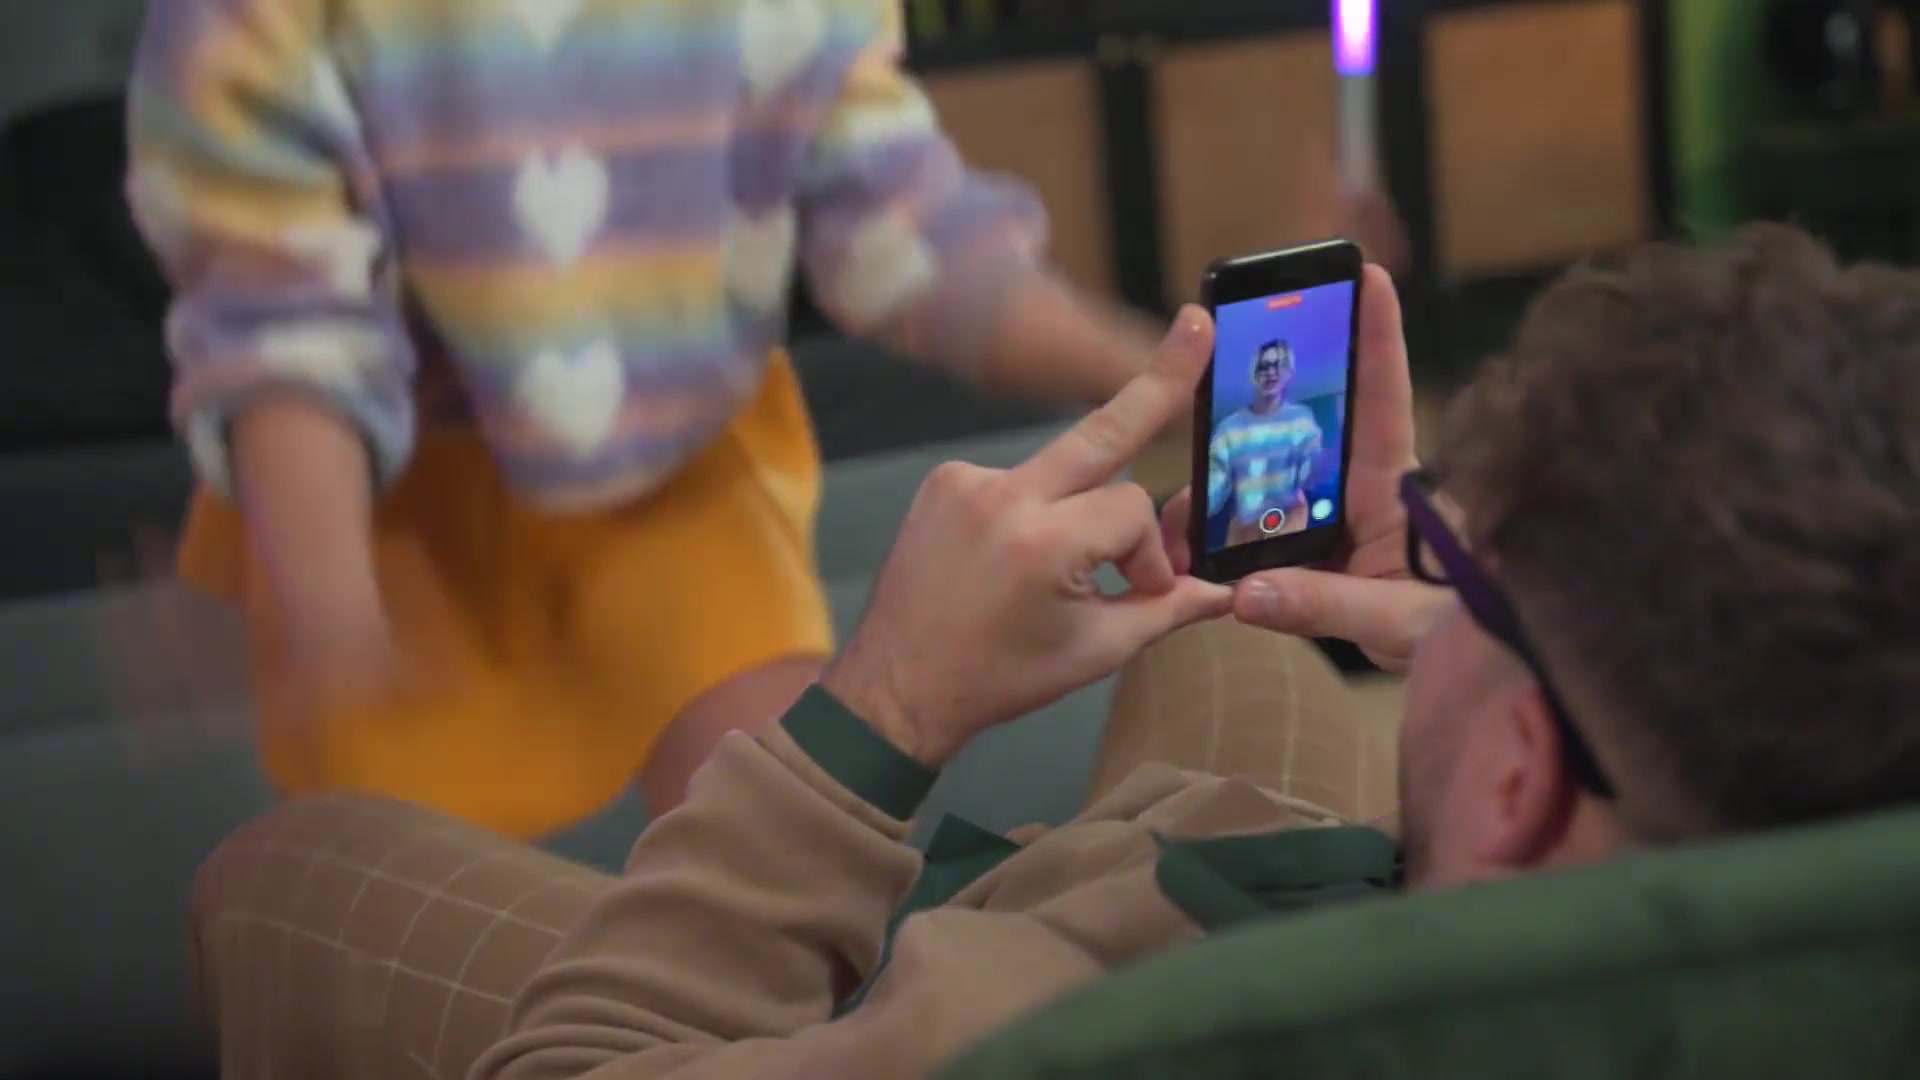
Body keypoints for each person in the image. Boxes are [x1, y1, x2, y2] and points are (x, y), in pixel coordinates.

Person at [188, 225, 1920, 1080]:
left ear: (1525, 776)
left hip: (1060, 953)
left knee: (284, 869)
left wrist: (883, 711)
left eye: (1464, 569)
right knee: (1244, 617)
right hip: (1342, 872)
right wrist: (1441, 629)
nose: (1431, 579)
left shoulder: (1037, 1037)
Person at [124, 0, 1179, 836]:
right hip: (385, 502)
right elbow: (282, 307)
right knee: (389, 894)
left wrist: (1148, 369)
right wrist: (327, 613)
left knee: (791, 831)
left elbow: (908, 230)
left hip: (680, 458)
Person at [1206, 338, 1323, 544]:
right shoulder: (1228, 429)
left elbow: (1312, 472)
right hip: (1243, 538)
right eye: (1263, 366)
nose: (1271, 372)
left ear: (1289, 372)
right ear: (1254, 374)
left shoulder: (1302, 419)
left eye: (1279, 365)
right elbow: (1213, 488)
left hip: (1292, 530)